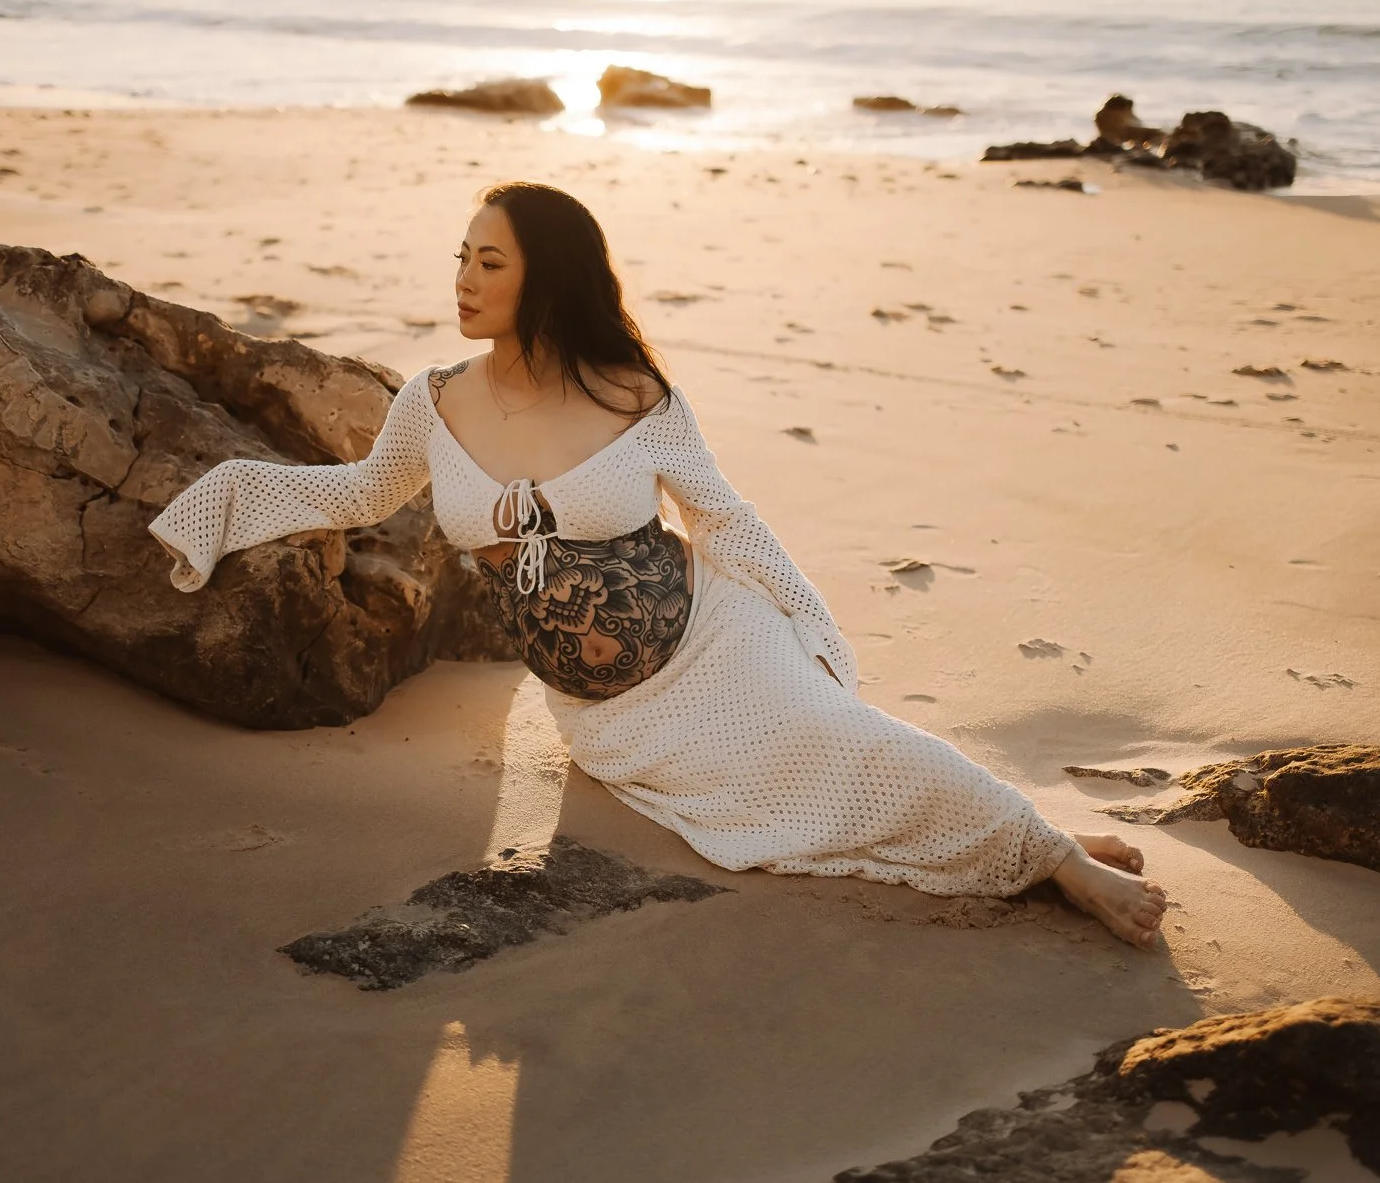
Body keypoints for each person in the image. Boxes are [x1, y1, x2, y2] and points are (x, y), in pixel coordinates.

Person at [146, 182, 1169, 947]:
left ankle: (1053, 858)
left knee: (839, 737)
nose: (460, 278)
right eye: (459, 255)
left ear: (548, 274)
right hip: (609, 717)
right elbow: (359, 493)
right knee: (791, 793)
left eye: (488, 261)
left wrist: (810, 627)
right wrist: (221, 498)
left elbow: (723, 516)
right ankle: (1031, 841)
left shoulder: (631, 394)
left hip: (712, 639)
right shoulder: (432, 400)